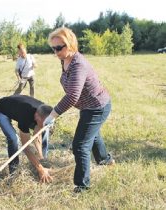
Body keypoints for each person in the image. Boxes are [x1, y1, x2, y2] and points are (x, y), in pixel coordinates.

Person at [44, 27, 114, 193]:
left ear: (70, 44)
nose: (56, 52)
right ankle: (105, 160)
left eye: (59, 48)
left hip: (97, 107)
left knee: (80, 145)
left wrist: (52, 114)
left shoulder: (78, 64)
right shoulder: (65, 59)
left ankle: (82, 186)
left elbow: (72, 96)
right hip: (87, 106)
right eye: (53, 48)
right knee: (93, 135)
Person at [0, 95, 53, 183]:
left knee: (45, 131)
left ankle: (44, 160)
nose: (46, 125)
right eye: (45, 123)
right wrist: (40, 169)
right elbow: (25, 147)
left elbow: (37, 134)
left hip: (17, 106)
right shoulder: (25, 117)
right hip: (0, 110)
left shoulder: (45, 112)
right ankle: (13, 171)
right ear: (36, 117)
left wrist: (40, 157)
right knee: (14, 139)